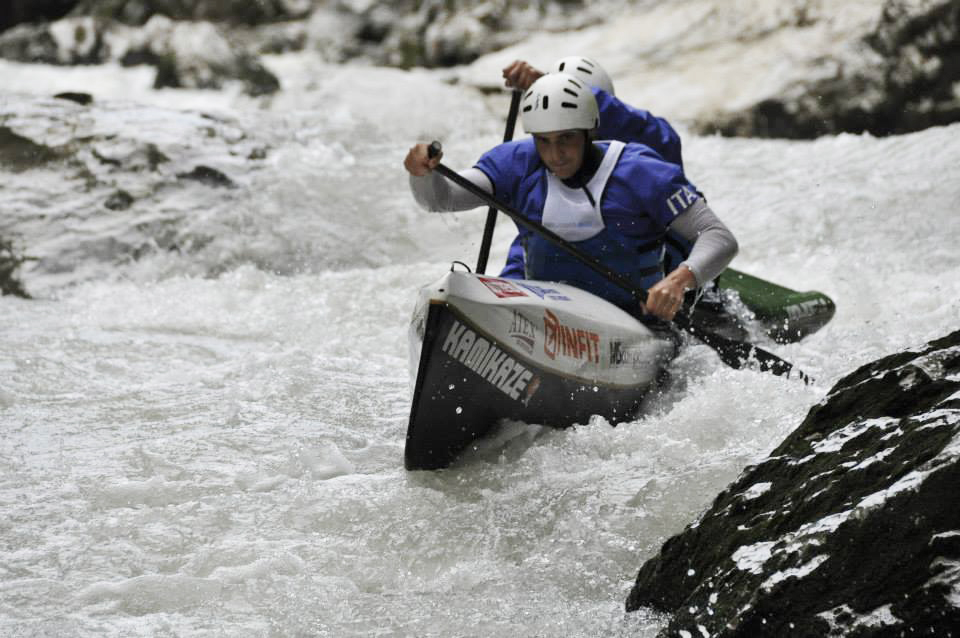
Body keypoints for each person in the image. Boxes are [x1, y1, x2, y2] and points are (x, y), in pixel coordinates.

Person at [402, 73, 737, 325]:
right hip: (545, 319)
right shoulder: (516, 162)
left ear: (589, 131)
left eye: (566, 139)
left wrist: (679, 280)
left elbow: (718, 237)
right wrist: (423, 174)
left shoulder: (639, 170)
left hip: (634, 324)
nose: (555, 154)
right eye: (544, 141)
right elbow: (441, 200)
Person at [499, 56, 695, 279]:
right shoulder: (539, 171)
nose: (560, 151)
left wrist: (545, 82)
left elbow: (650, 133)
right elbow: (525, 252)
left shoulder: (648, 146)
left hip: (652, 270)